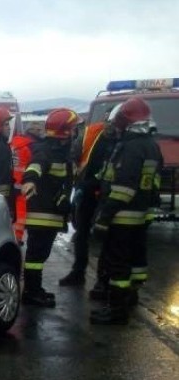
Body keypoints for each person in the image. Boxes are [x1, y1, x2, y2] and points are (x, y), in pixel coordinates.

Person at [90, 98, 162, 325]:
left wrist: (104, 217)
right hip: (139, 214)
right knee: (135, 260)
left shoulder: (130, 147)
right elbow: (154, 184)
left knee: (118, 263)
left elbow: (124, 187)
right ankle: (130, 297)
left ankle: (117, 310)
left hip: (122, 216)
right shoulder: (151, 144)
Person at [19, 108, 79, 307]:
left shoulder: (61, 152)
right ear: (66, 132)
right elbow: (35, 166)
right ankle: (31, 292)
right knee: (36, 255)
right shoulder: (46, 151)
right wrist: (30, 180)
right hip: (43, 215)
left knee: (40, 255)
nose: (75, 132)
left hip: (51, 213)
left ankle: (35, 289)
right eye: (73, 129)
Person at [58, 110, 117, 287]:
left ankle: (103, 279)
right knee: (82, 233)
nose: (110, 126)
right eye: (108, 121)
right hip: (88, 191)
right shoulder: (89, 133)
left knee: (108, 237)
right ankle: (78, 273)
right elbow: (73, 155)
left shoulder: (125, 139)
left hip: (110, 194)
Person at [10, 121, 44, 243]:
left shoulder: (14, 143)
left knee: (12, 212)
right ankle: (17, 238)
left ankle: (12, 236)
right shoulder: (31, 146)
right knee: (21, 214)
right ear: (31, 131)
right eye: (38, 130)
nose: (41, 133)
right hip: (24, 184)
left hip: (11, 183)